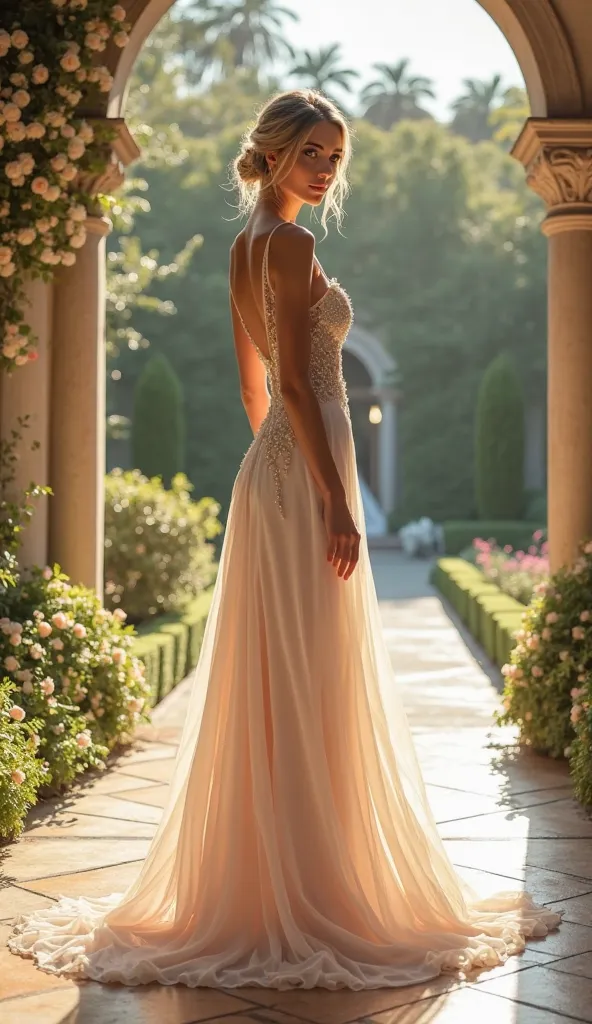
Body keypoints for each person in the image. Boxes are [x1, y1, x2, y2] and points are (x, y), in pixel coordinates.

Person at [7, 88, 561, 989]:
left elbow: (252, 395)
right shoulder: (294, 244)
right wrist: (336, 499)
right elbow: (298, 390)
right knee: (311, 667)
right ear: (271, 154)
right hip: (305, 474)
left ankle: (276, 876)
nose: (326, 168)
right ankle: (312, 881)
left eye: (336, 156)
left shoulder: (241, 247)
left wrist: (274, 470)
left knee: (284, 670)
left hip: (270, 474)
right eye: (312, 152)